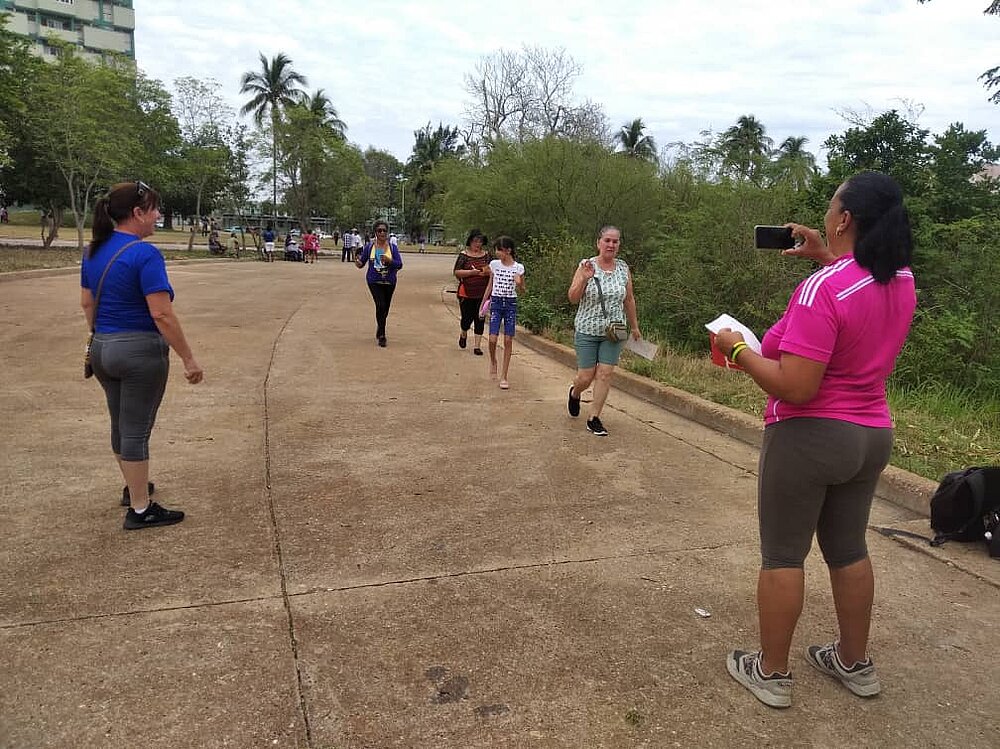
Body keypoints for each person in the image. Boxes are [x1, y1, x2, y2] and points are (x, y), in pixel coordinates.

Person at [715, 172, 917, 709]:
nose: (825, 215)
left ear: (845, 218)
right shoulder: (901, 278)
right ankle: (854, 662)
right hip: (871, 435)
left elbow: (797, 386)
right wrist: (827, 255)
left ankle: (771, 673)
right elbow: (858, 291)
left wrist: (738, 350)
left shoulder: (819, 290)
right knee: (849, 549)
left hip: (809, 437)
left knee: (783, 555)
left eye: (831, 208)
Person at [80, 180, 204, 530]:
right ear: (137, 213)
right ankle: (139, 508)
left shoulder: (93, 251)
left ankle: (133, 485)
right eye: (154, 210)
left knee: (120, 423)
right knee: (136, 429)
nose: (158, 215)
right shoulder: (145, 255)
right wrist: (188, 358)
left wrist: (104, 333)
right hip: (139, 351)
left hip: (103, 347)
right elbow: (161, 313)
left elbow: (87, 303)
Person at [566, 225, 641, 437]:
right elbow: (572, 298)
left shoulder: (623, 268)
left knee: (605, 373)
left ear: (619, 245)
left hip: (614, 330)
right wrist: (584, 279)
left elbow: (629, 299)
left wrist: (635, 326)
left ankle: (594, 418)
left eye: (615, 241)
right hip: (587, 328)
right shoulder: (586, 265)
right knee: (586, 377)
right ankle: (575, 392)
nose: (611, 245)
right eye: (607, 240)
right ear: (599, 242)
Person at [482, 236, 524, 390]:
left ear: (508, 250)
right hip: (496, 302)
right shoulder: (494, 265)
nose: (497, 253)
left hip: (510, 304)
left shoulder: (518, 268)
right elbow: (490, 285)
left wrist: (519, 283)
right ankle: (493, 360)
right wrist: (483, 305)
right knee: (492, 339)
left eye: (499, 250)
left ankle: (504, 376)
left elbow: (523, 290)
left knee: (508, 340)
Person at [355, 220, 402, 347]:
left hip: (389, 281)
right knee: (380, 305)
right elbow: (361, 263)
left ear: (387, 232)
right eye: (379, 230)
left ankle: (380, 326)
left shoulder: (392, 248)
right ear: (375, 232)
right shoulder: (369, 247)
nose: (382, 233)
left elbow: (399, 264)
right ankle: (382, 334)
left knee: (385, 308)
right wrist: (357, 261)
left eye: (384, 230)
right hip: (374, 280)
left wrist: (390, 261)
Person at [453, 229, 491, 355]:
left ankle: (477, 346)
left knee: (480, 317)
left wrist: (486, 272)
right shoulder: (464, 255)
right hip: (466, 292)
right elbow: (457, 272)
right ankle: (463, 333)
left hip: (483, 293)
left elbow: (493, 270)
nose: (477, 244)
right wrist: (471, 272)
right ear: (470, 241)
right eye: (475, 241)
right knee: (466, 318)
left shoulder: (487, 255)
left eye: (480, 241)